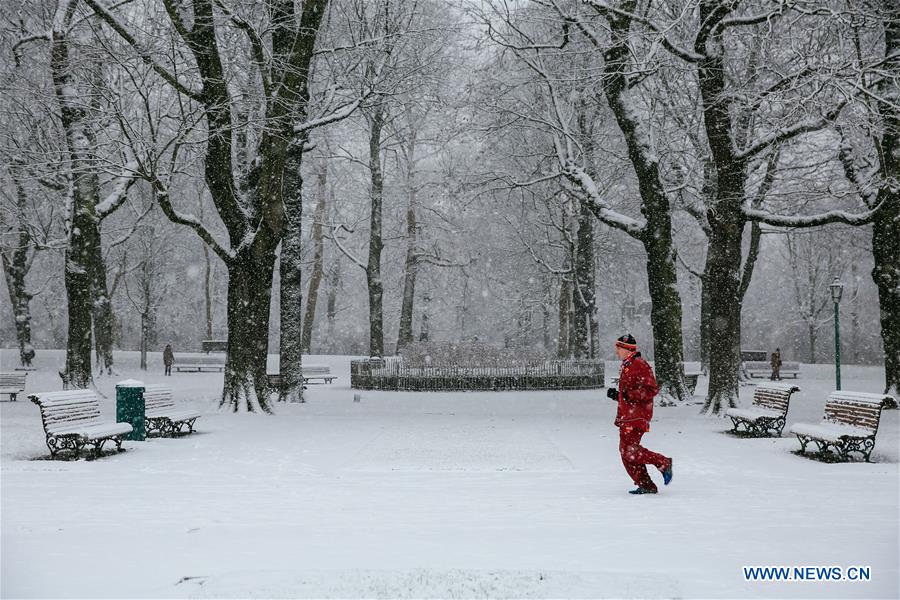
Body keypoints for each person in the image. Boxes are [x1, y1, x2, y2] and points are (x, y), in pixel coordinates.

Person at [606, 334, 673, 495]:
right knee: (626, 453)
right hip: (627, 415)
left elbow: (651, 390)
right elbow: (630, 391)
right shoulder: (628, 365)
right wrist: (618, 395)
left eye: (618, 348)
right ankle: (646, 485)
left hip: (636, 417)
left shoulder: (639, 364)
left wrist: (630, 395)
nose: (616, 351)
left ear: (627, 349)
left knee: (629, 451)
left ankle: (663, 462)